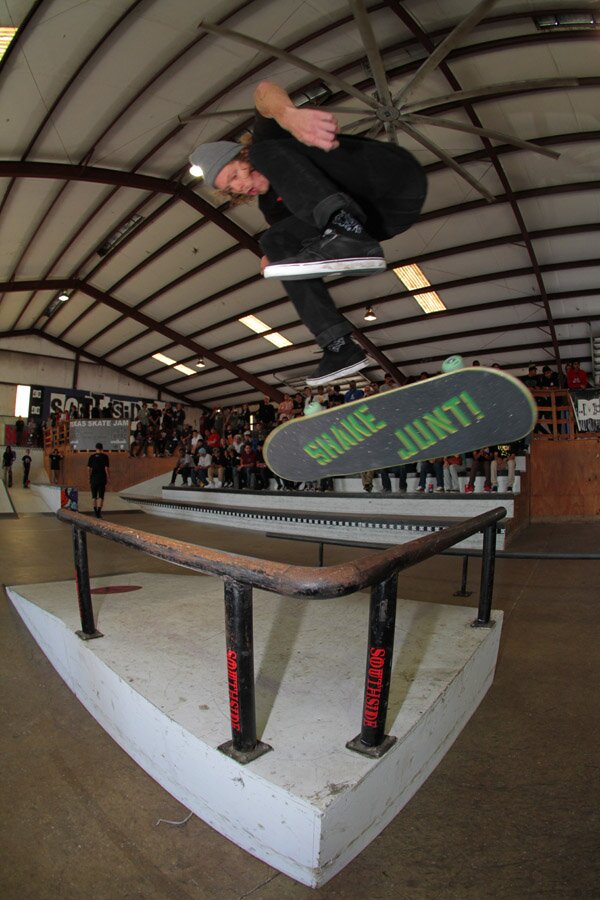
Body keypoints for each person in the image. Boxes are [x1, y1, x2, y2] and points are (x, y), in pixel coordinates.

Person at [189, 81, 426, 386]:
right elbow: (286, 245)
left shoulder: (267, 142)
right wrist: (276, 256)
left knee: (266, 154)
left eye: (235, 173)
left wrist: (287, 115)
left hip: (390, 177)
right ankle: (338, 346)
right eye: (229, 187)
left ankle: (344, 227)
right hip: (385, 218)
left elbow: (263, 91)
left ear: (243, 154)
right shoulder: (272, 210)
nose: (239, 186)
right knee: (274, 243)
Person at [87, 442, 110, 518]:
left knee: (94, 496)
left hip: (93, 478)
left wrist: (89, 477)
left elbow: (88, 469)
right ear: (102, 448)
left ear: (96, 448)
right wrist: (108, 477)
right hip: (102, 478)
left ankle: (95, 512)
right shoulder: (105, 456)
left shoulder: (92, 456)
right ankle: (99, 512)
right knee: (101, 496)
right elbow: (106, 468)